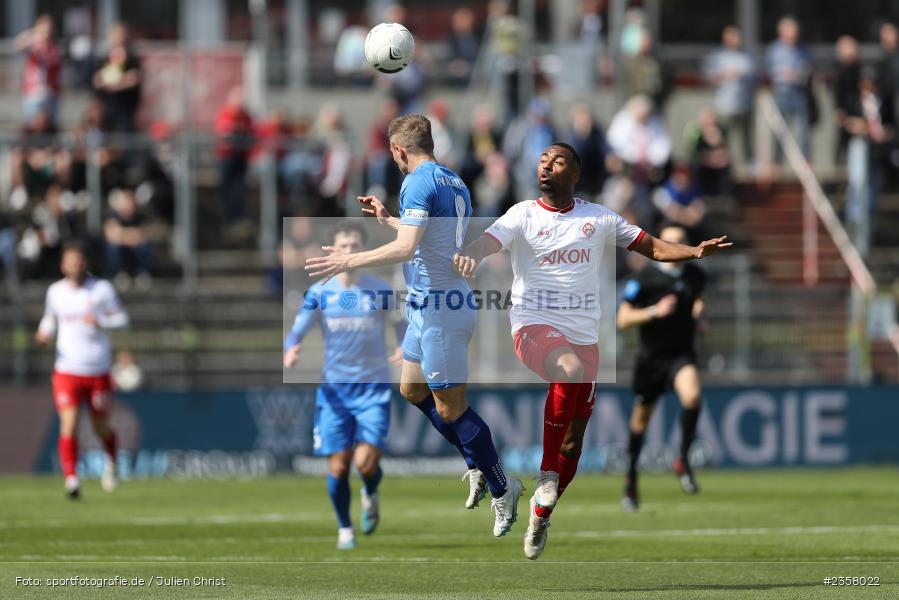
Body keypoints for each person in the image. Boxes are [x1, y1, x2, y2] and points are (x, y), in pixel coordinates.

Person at [453, 143, 731, 559]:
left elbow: (651, 247)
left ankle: (541, 513)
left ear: (575, 174)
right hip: (532, 327)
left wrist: (693, 252)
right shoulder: (522, 214)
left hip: (585, 339)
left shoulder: (598, 218)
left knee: (573, 444)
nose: (546, 164)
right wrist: (469, 256)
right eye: (543, 159)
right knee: (566, 371)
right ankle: (545, 474)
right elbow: (489, 242)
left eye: (557, 160)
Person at [306, 114, 525, 537]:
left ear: (399, 151)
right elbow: (429, 239)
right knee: (411, 390)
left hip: (441, 308)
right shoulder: (452, 180)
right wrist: (389, 219)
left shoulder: (417, 181)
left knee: (452, 409)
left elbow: (408, 249)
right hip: (428, 307)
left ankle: (503, 486)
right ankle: (476, 464)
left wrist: (347, 260)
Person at [284, 221, 404, 550]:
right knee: (338, 466)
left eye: (355, 245)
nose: (350, 250)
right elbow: (296, 331)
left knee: (365, 463)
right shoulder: (320, 292)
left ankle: (370, 490)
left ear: (362, 250)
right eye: (344, 245)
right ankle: (345, 528)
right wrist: (291, 348)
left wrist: (403, 345)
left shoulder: (380, 290)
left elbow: (401, 322)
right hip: (334, 392)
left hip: (373, 389)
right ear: (332, 250)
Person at [617, 224, 708, 512]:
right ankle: (631, 480)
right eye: (671, 241)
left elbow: (698, 298)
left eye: (681, 241)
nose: (676, 245)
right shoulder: (644, 278)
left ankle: (681, 459)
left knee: (692, 396)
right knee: (640, 423)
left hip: (681, 354)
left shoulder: (695, 274)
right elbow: (622, 320)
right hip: (651, 359)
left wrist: (698, 312)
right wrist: (655, 311)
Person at [34, 241, 130, 498]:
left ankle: (111, 462)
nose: (75, 265)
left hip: (97, 369)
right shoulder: (55, 292)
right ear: (63, 265)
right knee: (69, 423)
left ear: (84, 263)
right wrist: (44, 334)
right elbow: (50, 319)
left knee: (101, 427)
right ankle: (72, 479)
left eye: (79, 260)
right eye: (71, 261)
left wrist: (100, 321)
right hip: (67, 369)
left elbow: (122, 319)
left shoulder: (101, 289)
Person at [704, 25, 756, 164]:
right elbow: (710, 78)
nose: (737, 40)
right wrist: (725, 75)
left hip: (745, 103)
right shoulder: (718, 57)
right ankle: (725, 164)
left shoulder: (746, 57)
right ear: (726, 38)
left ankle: (749, 163)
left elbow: (754, 79)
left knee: (746, 137)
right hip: (725, 104)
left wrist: (742, 76)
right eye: (734, 36)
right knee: (723, 137)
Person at [766, 16, 813, 159]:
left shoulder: (803, 49)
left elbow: (807, 70)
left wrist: (796, 75)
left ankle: (805, 160)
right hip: (782, 92)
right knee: (780, 129)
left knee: (802, 129)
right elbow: (770, 70)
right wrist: (783, 73)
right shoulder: (774, 49)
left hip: (799, 92)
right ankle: (777, 160)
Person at [92, 23, 142, 132]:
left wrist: (117, 84)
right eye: (116, 36)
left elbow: (134, 78)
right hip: (107, 106)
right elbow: (97, 80)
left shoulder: (132, 59)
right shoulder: (104, 58)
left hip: (125, 107)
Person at [15, 15, 62, 125]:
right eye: (45, 29)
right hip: (33, 96)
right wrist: (34, 36)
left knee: (49, 131)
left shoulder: (53, 49)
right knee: (33, 130)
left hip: (50, 96)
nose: (47, 32)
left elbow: (57, 74)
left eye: (49, 29)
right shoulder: (33, 45)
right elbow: (18, 45)